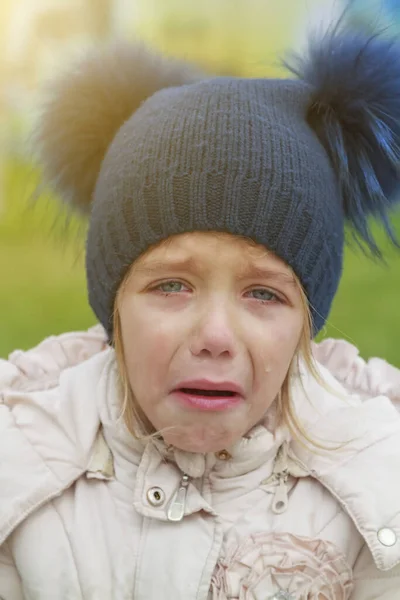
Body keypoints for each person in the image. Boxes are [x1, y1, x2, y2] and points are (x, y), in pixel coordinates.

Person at [1, 23, 400, 600]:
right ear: (110, 302)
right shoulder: (20, 466)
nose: (215, 336)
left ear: (307, 324)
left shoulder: (377, 484)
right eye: (171, 285)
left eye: (264, 294)